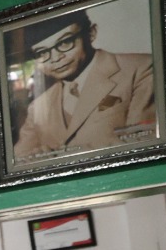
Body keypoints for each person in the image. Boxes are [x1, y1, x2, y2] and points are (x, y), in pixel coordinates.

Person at [11, 9, 157, 162]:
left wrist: (56, 157)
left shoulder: (141, 68)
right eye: (42, 53)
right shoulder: (38, 107)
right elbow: (18, 161)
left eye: (65, 42)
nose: (55, 58)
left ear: (91, 33)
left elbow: (145, 140)